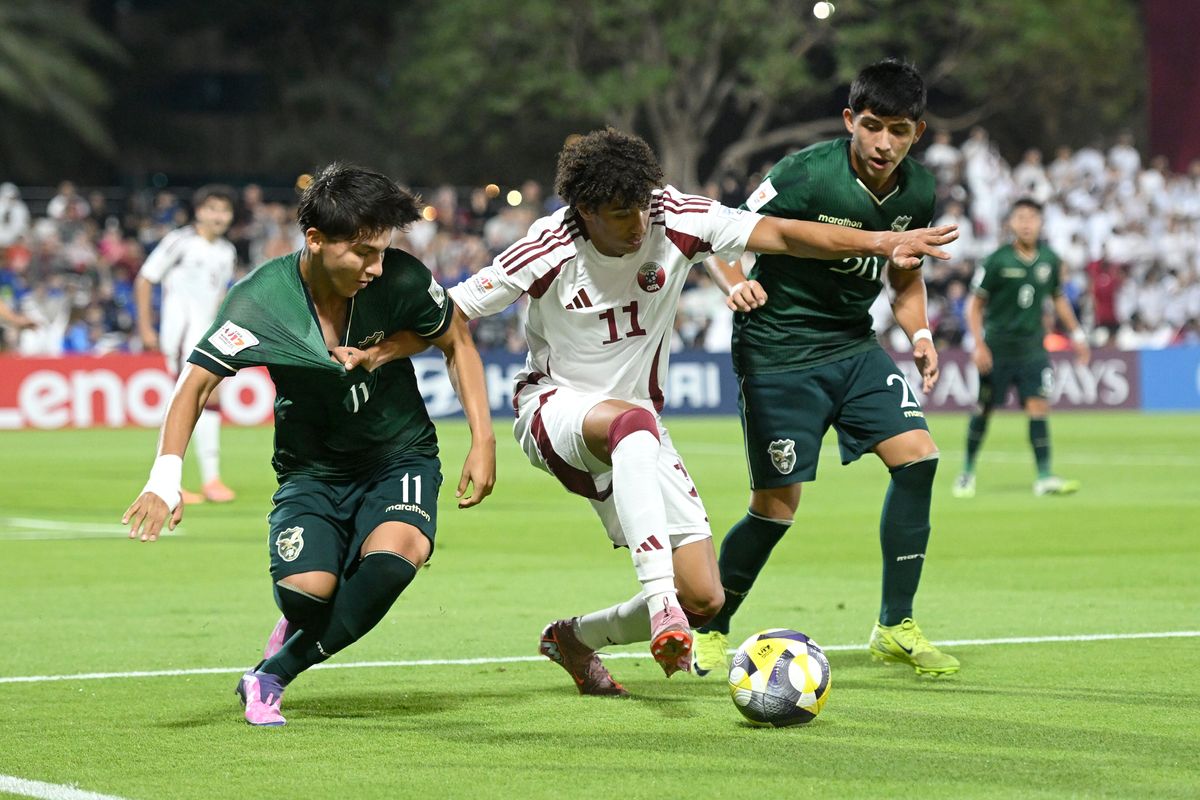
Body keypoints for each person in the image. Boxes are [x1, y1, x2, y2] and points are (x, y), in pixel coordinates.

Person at [445, 127, 956, 695]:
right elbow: (450, 314)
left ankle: (574, 638)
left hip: (637, 425)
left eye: (642, 208)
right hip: (554, 407)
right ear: (585, 211)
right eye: (620, 215)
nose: (638, 225)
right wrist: (482, 438)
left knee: (705, 598)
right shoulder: (549, 245)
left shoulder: (674, 216)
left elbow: (782, 233)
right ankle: (660, 602)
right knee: (634, 435)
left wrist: (881, 243)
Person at [122, 163, 496, 726]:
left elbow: (455, 339)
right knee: (307, 595)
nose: (376, 267)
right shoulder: (260, 301)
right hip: (312, 470)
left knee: (393, 563)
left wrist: (483, 439)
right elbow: (194, 384)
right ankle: (309, 606)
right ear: (316, 239)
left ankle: (272, 673)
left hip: (399, 453)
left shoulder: (401, 278)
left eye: (382, 251)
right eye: (362, 253)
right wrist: (164, 478)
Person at [694, 59, 961, 679]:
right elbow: (718, 236)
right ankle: (710, 625)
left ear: (917, 132)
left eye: (898, 130)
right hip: (778, 350)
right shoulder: (805, 173)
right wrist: (734, 283)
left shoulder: (918, 191)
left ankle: (895, 626)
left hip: (852, 344)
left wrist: (920, 333)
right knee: (776, 507)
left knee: (918, 457)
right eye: (872, 126)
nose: (883, 143)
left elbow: (904, 276)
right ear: (849, 120)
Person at [953, 198, 1089, 498]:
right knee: (984, 408)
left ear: (1041, 223)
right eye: (1020, 218)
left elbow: (1058, 298)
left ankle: (1044, 477)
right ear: (1011, 223)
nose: (1026, 223)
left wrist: (1078, 335)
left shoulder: (1050, 260)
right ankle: (966, 472)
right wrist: (978, 345)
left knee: (1038, 407)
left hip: (1032, 348)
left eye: (1032, 218)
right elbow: (974, 305)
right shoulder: (997, 261)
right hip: (997, 349)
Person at [135, 185, 240, 504]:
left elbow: (221, 296)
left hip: (208, 334)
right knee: (193, 400)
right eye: (213, 208)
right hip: (181, 334)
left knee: (204, 399)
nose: (219, 216)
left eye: (225, 210)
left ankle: (204, 480)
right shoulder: (179, 242)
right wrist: (145, 327)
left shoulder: (227, 251)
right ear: (199, 212)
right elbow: (145, 278)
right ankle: (184, 481)